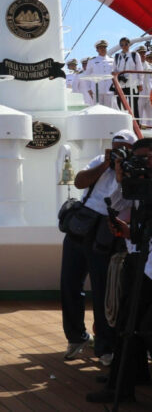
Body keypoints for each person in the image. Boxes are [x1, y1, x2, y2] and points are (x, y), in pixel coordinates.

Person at [61, 128, 137, 363]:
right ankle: (76, 337)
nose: (119, 152)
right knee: (69, 285)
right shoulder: (100, 162)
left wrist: (122, 173)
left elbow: (131, 200)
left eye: (124, 149)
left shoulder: (135, 172)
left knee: (104, 291)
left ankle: (105, 346)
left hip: (106, 231)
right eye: (115, 148)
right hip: (81, 227)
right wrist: (105, 165)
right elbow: (80, 181)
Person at [87, 137, 152, 403]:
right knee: (127, 324)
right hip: (140, 259)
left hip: (147, 264)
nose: (143, 164)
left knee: (137, 325)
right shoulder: (136, 185)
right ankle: (128, 379)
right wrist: (123, 179)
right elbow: (114, 205)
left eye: (148, 158)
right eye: (138, 159)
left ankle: (121, 387)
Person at [114, 36, 144, 120]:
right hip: (121, 84)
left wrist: (140, 83)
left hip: (133, 84)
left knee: (133, 104)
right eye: (122, 45)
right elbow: (115, 70)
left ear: (129, 44)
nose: (124, 46)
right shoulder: (117, 56)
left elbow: (139, 69)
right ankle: (123, 122)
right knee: (120, 104)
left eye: (126, 44)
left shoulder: (134, 55)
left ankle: (136, 124)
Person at [83, 40, 116, 107]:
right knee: (97, 109)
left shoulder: (112, 60)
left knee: (110, 110)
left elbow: (115, 75)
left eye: (104, 47)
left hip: (109, 90)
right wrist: (88, 89)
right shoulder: (92, 61)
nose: (103, 49)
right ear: (97, 50)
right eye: (100, 48)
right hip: (97, 90)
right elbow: (87, 76)